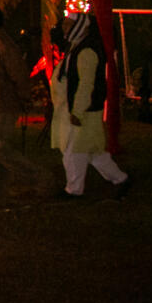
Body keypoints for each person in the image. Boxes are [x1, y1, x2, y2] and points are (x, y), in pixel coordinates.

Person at [50, 13, 132, 200]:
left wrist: (77, 111)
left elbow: (86, 84)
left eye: (68, 25)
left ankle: (74, 190)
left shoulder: (86, 51)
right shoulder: (76, 48)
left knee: (74, 151)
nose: (64, 28)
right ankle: (121, 179)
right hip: (79, 110)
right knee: (92, 152)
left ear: (80, 27)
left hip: (82, 112)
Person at [0, 4, 43, 204]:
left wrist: (24, 98)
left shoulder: (3, 45)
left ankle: (40, 178)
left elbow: (19, 75)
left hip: (2, 106)